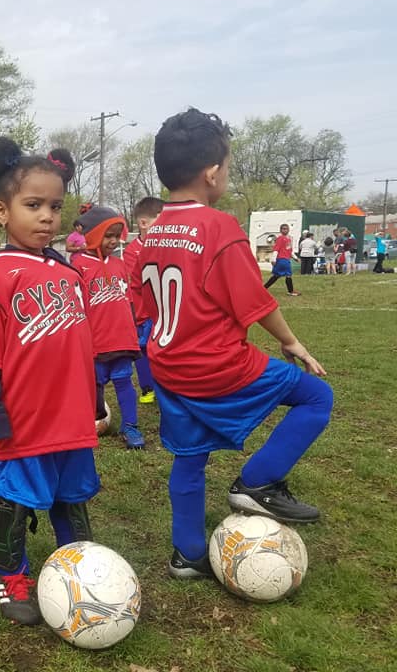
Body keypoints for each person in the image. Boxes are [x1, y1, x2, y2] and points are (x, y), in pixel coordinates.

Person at [132, 108, 332, 580]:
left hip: (168, 367)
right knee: (315, 396)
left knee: (189, 458)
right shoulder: (218, 227)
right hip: (217, 366)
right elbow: (254, 303)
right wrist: (291, 343)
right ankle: (259, 482)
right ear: (212, 172)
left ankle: (187, 555)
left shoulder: (150, 233)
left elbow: (144, 305)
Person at [0, 138, 99, 626]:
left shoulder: (68, 271)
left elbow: (81, 346)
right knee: (16, 494)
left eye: (56, 206)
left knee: (73, 491)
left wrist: (94, 397)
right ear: (2, 211)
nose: (47, 216)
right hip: (24, 418)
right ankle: (10, 573)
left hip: (72, 413)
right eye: (33, 205)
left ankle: (79, 561)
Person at [71, 203, 146, 449]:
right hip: (95, 342)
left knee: (125, 381)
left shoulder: (119, 264)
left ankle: (131, 426)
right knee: (94, 385)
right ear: (92, 235)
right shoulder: (78, 265)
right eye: (108, 235)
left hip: (122, 338)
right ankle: (87, 424)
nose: (114, 241)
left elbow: (128, 301)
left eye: (117, 236)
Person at [121, 196, 164, 405]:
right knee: (144, 351)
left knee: (164, 349)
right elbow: (137, 283)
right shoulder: (132, 251)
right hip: (142, 313)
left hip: (163, 312)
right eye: (162, 222)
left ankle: (165, 385)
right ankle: (148, 388)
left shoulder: (166, 245)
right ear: (144, 223)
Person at [263, 223, 300, 296]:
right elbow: (276, 249)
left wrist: (295, 258)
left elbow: (289, 251)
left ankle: (264, 288)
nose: (285, 230)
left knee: (276, 275)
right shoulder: (280, 238)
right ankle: (291, 291)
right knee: (288, 275)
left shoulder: (288, 239)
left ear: (289, 230)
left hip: (285, 260)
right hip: (282, 260)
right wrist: (273, 259)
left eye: (286, 228)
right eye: (283, 229)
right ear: (280, 230)